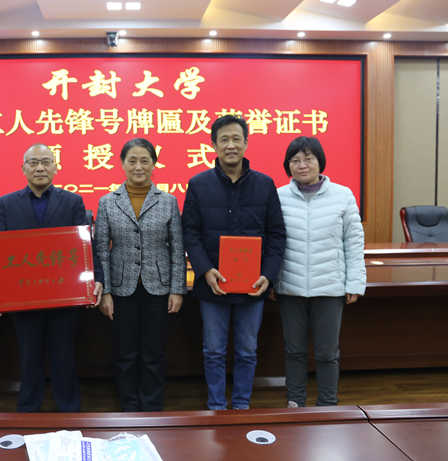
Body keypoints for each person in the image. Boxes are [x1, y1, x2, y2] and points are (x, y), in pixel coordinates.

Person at [0, 143, 104, 413]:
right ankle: (28, 408)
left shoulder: (72, 201)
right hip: (24, 294)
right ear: (23, 168)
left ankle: (69, 408)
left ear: (55, 167)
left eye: (46, 162)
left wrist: (97, 278)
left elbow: (86, 245)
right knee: (29, 356)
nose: (40, 168)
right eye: (34, 162)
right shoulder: (7, 203)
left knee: (64, 355)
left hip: (64, 294)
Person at [182, 114, 286, 410]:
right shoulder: (198, 184)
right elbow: (190, 233)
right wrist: (205, 270)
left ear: (246, 143)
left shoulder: (265, 185)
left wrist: (269, 275)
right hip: (212, 285)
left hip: (253, 285)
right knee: (213, 351)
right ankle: (216, 406)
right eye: (224, 140)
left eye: (236, 139)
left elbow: (276, 234)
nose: (231, 145)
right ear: (213, 145)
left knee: (247, 351)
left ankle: (241, 406)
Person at [94, 138, 187, 412]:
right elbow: (101, 250)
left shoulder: (168, 201)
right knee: (125, 352)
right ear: (122, 164)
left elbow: (177, 247)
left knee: (154, 352)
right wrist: (105, 292)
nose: (138, 166)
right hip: (120, 289)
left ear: (153, 164)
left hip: (158, 287)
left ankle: (152, 406)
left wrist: (177, 289)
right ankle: (130, 407)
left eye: (144, 160)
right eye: (132, 160)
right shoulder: (107, 202)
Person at [272, 136, 366, 407]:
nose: (302, 165)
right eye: (295, 160)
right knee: (294, 351)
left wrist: (354, 283)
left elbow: (353, 242)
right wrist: (272, 281)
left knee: (327, 353)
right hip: (290, 287)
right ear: (288, 166)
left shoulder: (343, 195)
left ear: (319, 162)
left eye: (308, 159)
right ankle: (295, 403)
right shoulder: (278, 196)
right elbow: (271, 243)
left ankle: (327, 405)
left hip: (330, 287)